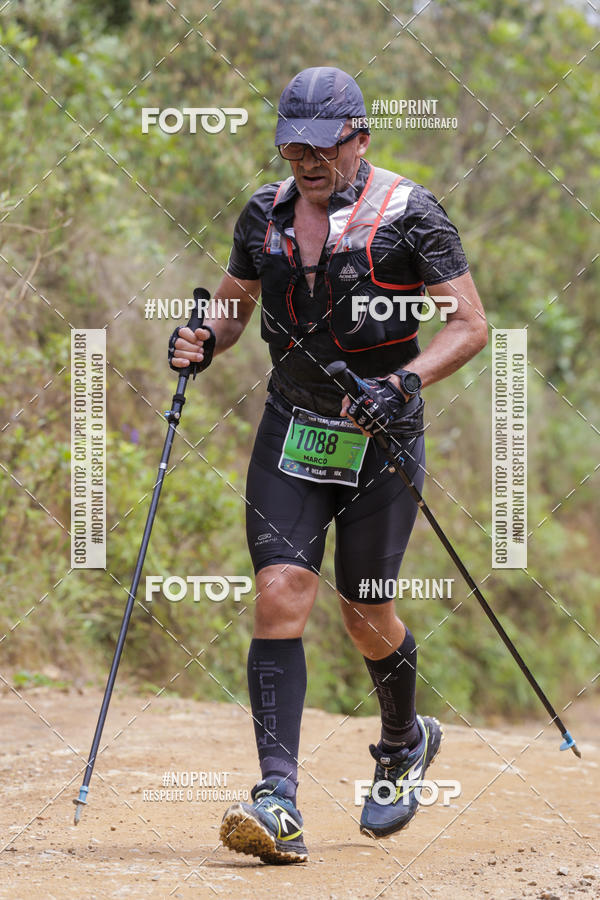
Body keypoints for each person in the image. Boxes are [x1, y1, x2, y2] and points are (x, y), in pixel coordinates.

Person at [169, 66, 488, 864]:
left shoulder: (412, 214)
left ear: (359, 139)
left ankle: (403, 741)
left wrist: (403, 381)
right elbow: (236, 305)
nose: (305, 162)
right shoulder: (263, 214)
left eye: (320, 147)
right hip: (293, 430)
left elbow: (470, 326)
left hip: (381, 438)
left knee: (365, 611)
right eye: (291, 147)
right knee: (281, 593)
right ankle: (278, 798)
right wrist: (205, 337)